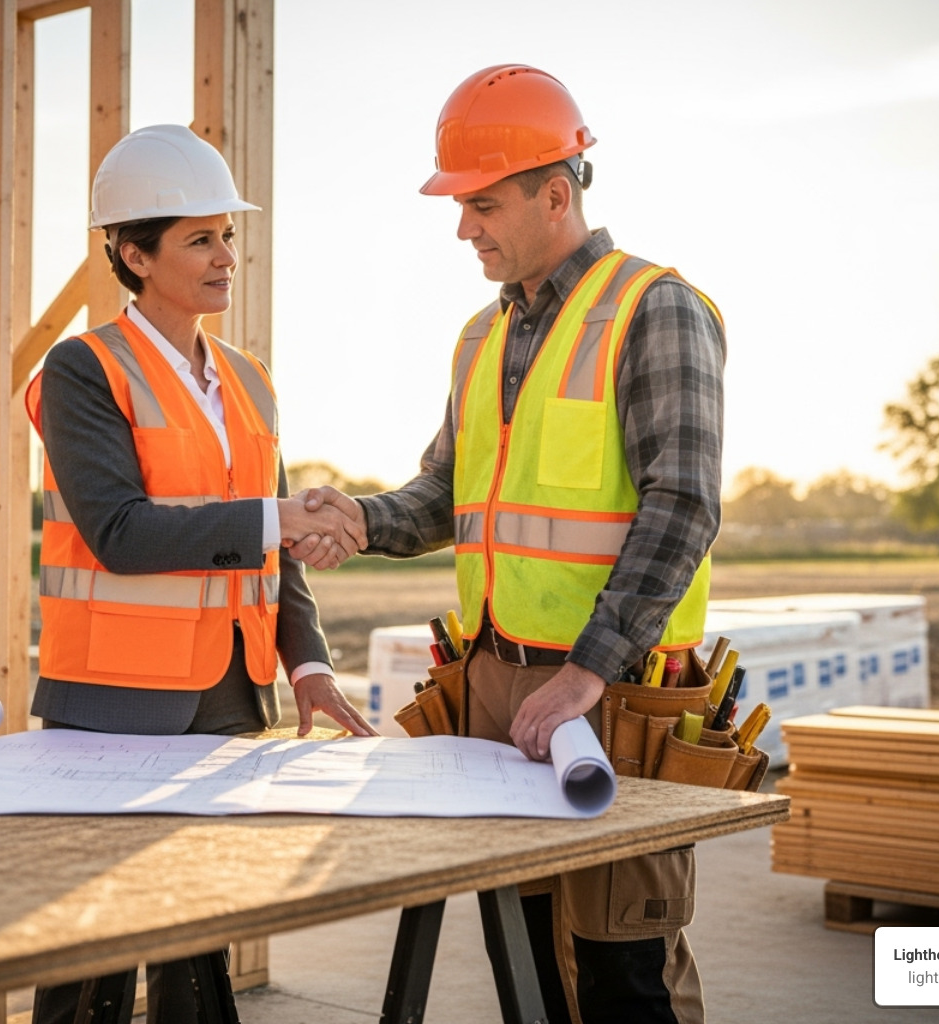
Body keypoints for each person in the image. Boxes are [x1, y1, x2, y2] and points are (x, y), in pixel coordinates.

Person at [299, 66, 726, 1023]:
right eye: (461, 207)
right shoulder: (477, 337)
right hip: (497, 689)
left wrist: (586, 672)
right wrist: (361, 519)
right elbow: (448, 494)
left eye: (482, 204)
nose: (465, 229)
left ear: (556, 193)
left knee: (623, 968)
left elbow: (685, 505)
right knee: (524, 962)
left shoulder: (655, 308)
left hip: (613, 691)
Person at [25, 123, 377, 1024]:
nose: (227, 257)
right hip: (110, 700)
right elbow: (119, 532)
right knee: (88, 951)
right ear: (134, 255)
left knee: (197, 932)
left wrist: (311, 666)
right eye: (201, 239)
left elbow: (279, 548)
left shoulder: (248, 379)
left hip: (229, 692)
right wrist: (275, 519)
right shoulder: (82, 369)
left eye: (229, 235)